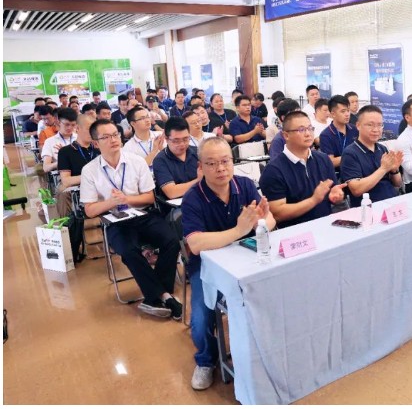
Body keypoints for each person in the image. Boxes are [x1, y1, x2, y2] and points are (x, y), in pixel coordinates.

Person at [181, 137, 275, 390]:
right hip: (207, 268)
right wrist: (239, 230)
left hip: (246, 256)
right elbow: (196, 244)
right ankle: (205, 360)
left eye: (225, 161)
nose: (220, 168)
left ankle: (269, 349)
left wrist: (262, 222)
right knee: (201, 321)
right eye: (212, 163)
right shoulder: (192, 198)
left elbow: (270, 221)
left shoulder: (244, 185)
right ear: (200, 167)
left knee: (275, 293)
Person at [80, 119, 182, 319]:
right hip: (115, 220)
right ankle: (165, 296)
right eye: (106, 137)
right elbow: (90, 211)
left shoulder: (136, 162)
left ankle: (156, 296)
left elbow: (149, 197)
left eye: (115, 135)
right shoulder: (90, 170)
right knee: (128, 250)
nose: (113, 140)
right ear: (96, 143)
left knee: (172, 239)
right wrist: (112, 202)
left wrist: (127, 199)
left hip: (143, 214)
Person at [259, 111, 346, 228]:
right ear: (286, 135)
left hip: (326, 226)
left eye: (310, 128)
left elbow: (332, 191)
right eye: (301, 130)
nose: (308, 134)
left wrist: (336, 195)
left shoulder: (323, 159)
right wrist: (314, 200)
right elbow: (278, 213)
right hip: (296, 233)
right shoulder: (273, 170)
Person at [340, 105, 403, 207]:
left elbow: (398, 184)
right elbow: (356, 190)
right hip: (369, 207)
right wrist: (383, 169)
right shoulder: (350, 153)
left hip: (392, 204)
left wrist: (394, 170)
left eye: (380, 125)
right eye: (370, 125)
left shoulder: (382, 149)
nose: (376, 130)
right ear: (358, 125)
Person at [56, 114, 100, 216]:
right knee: (62, 191)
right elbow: (66, 180)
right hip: (78, 187)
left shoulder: (99, 149)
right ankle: (68, 222)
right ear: (77, 128)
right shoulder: (65, 151)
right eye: (89, 129)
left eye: (94, 129)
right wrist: (90, 177)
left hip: (100, 185)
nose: (92, 132)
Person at [152, 117, 200, 200]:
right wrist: (199, 180)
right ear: (166, 139)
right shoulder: (160, 160)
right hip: (176, 205)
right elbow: (172, 192)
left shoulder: (198, 152)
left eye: (185, 139)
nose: (182, 144)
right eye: (176, 141)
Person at [319, 95, 358, 170]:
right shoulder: (326, 135)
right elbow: (330, 162)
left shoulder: (355, 129)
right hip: (338, 173)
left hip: (356, 170)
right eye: (343, 111)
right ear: (333, 114)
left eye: (348, 110)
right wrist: (353, 156)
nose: (347, 114)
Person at [41, 108, 78, 173]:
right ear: (59, 122)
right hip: (61, 175)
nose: (69, 128)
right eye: (66, 124)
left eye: (73, 125)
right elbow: (46, 168)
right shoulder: (50, 142)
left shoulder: (79, 138)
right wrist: (63, 161)